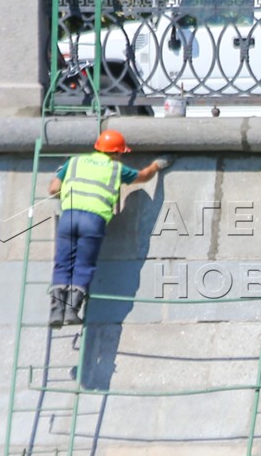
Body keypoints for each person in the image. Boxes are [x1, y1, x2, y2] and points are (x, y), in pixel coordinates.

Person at [45, 129, 170, 328]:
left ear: (97, 147)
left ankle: (56, 312)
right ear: (118, 153)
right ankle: (71, 310)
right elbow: (144, 176)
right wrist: (157, 166)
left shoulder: (74, 162)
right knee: (83, 265)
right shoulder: (116, 169)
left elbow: (53, 190)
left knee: (62, 263)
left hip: (68, 217)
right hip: (93, 220)